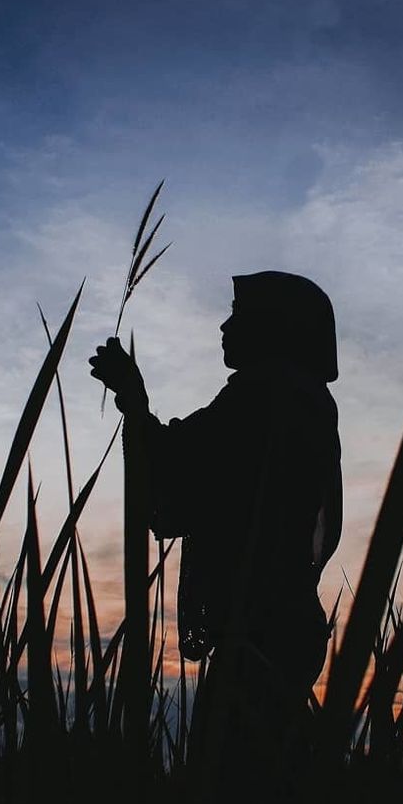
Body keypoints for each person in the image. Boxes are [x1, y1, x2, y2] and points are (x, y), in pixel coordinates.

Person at [89, 270, 342, 769]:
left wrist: (135, 403)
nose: (224, 327)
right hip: (278, 631)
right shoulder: (294, 400)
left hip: (261, 635)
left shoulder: (267, 399)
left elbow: (183, 470)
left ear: (273, 327)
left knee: (236, 793)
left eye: (239, 315)